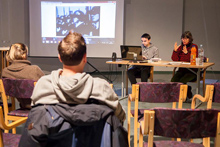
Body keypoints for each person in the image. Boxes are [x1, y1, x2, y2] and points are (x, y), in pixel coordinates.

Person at [31, 30, 126, 122]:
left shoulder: (42, 85)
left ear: (59, 57)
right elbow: (120, 116)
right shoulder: (101, 87)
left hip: (52, 138)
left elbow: (35, 116)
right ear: (85, 58)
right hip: (93, 138)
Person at [1, 43, 44, 109]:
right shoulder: (34, 70)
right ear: (24, 55)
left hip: (23, 106)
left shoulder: (5, 72)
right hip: (39, 108)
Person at [171, 31, 198, 100]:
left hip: (192, 72)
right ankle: (188, 89)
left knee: (181, 82)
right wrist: (175, 51)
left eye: (186, 39)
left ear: (190, 39)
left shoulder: (194, 47)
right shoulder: (180, 47)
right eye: (183, 38)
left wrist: (186, 53)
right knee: (173, 81)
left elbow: (192, 60)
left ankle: (182, 97)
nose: (184, 40)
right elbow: (175, 59)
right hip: (181, 70)